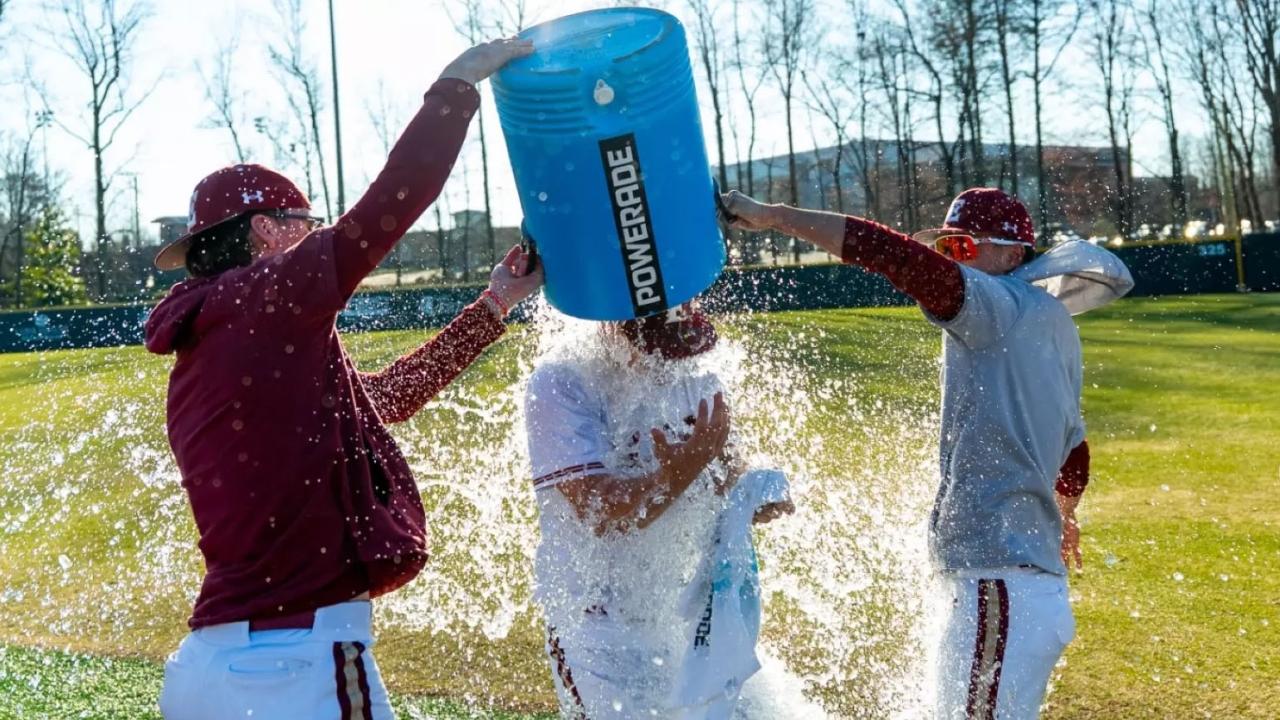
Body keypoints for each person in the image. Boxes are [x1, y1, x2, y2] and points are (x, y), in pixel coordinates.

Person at [145, 38, 540, 720]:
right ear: (266, 231)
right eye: (306, 224)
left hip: (210, 674)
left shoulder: (221, 329)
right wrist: (456, 86)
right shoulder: (268, 296)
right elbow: (390, 205)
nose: (317, 236)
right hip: (293, 670)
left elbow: (383, 400)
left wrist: (494, 306)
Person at [720, 187, 1132, 719]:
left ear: (1013, 254)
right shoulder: (1053, 322)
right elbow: (1075, 451)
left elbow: (893, 255)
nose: (949, 262)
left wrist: (775, 216)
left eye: (963, 248)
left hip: (998, 585)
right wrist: (1064, 511)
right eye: (945, 248)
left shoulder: (996, 306)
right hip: (1015, 587)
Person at [523, 304, 802, 719]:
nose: (669, 362)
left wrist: (753, 493)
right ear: (614, 332)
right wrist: (683, 468)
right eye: (658, 349)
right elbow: (602, 514)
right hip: (597, 631)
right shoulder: (560, 382)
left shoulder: (692, 371)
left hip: (682, 614)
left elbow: (725, 469)